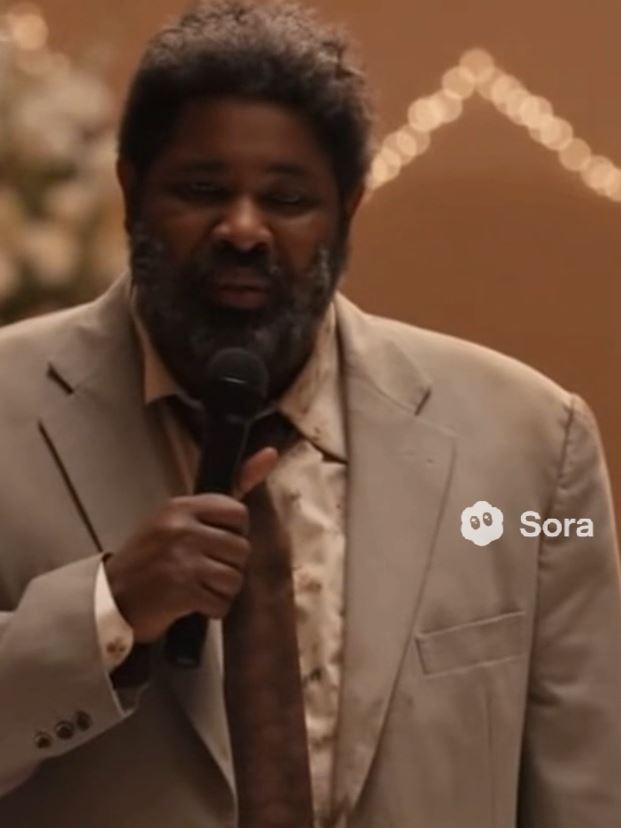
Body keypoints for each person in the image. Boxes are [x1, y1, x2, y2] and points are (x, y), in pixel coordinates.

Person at [1, 1, 620, 826]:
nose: (243, 228)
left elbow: (585, 790)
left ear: (347, 209)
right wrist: (106, 611)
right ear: (131, 190)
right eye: (202, 190)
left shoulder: (533, 444)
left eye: (287, 198)